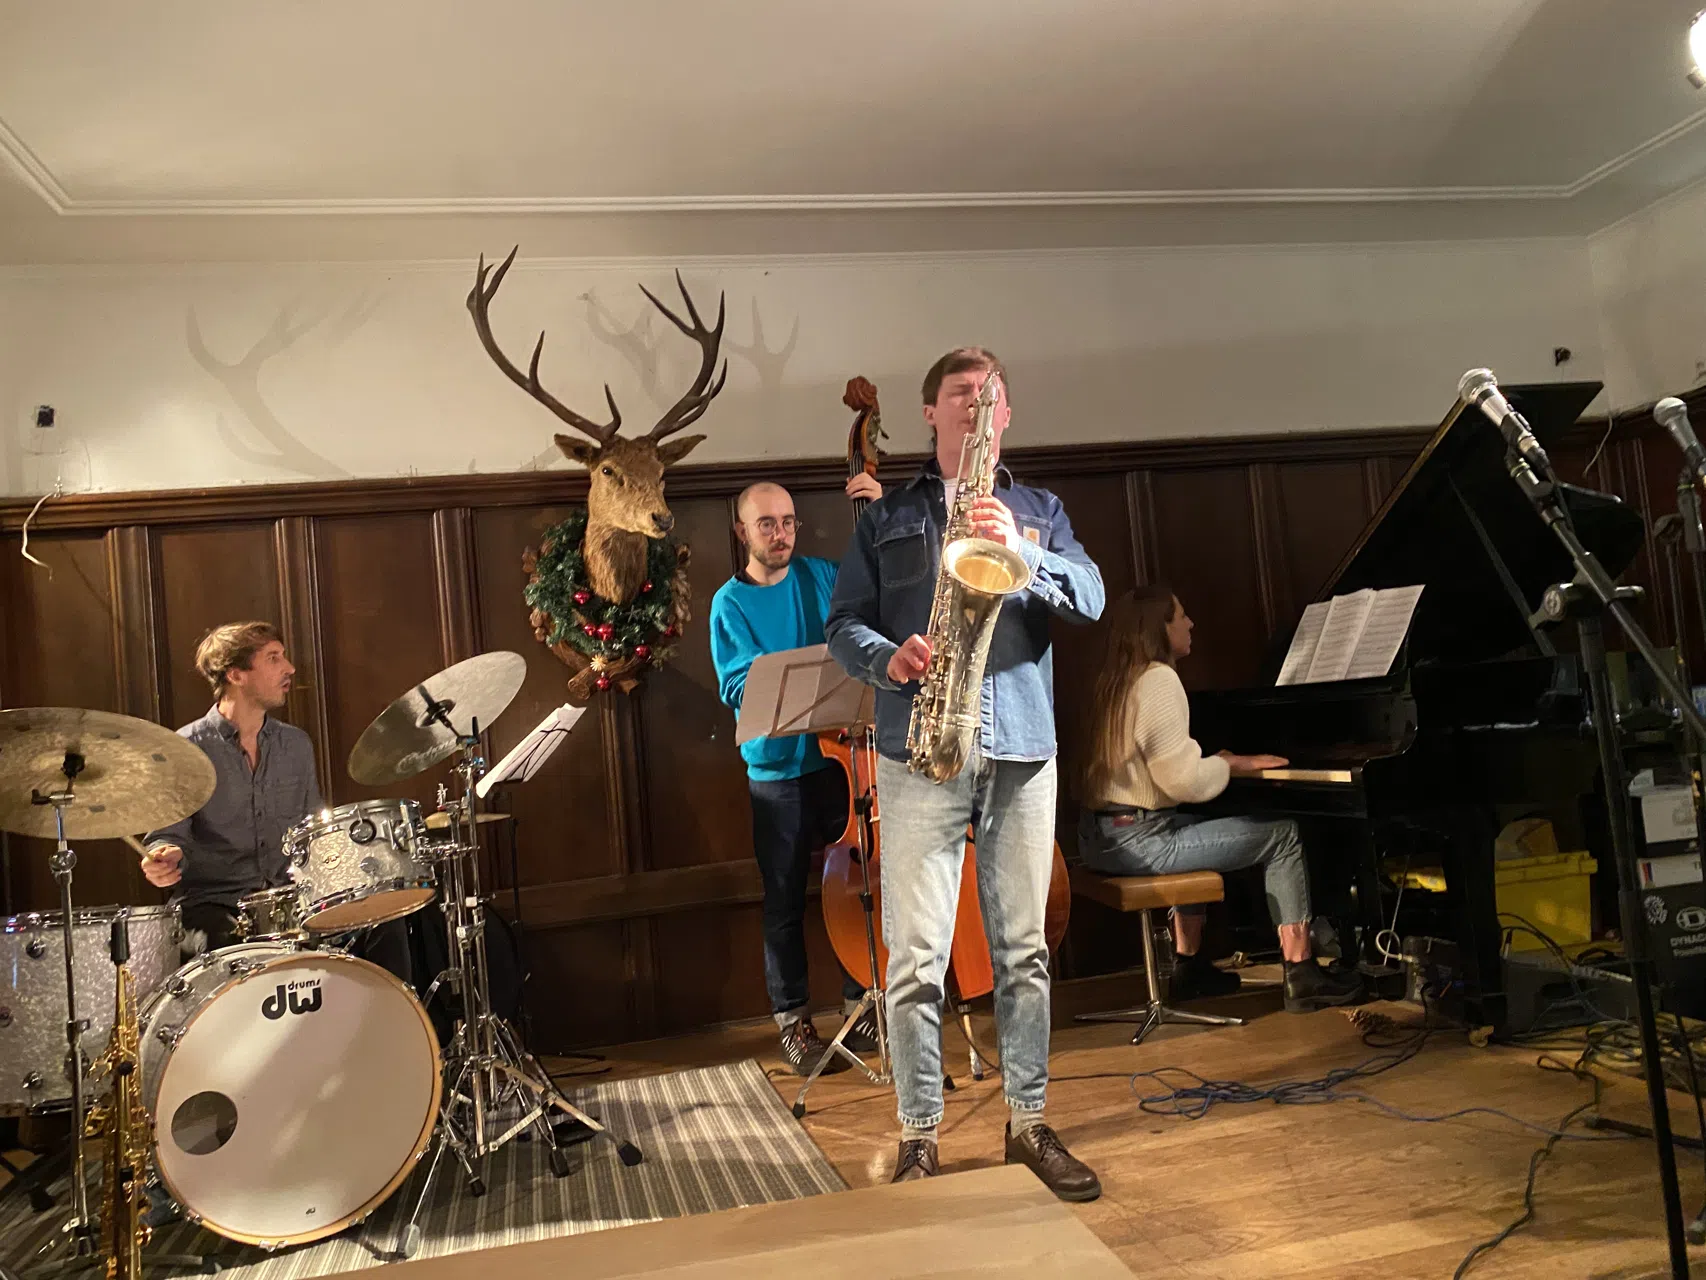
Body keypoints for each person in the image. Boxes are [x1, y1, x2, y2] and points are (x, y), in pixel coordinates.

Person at [825, 347, 1105, 1201]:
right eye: (960, 392)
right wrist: (885, 657)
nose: (977, 402)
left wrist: (1024, 551)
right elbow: (844, 623)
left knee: (1024, 949)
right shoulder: (888, 516)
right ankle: (919, 1133)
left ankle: (1028, 1122)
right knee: (915, 958)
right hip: (919, 748)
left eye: (991, 393)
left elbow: (1091, 597)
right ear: (933, 413)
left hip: (1021, 748)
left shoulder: (1040, 510)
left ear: (1005, 414)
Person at [1078, 586, 1364, 1011]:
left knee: (1196, 826)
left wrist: (1222, 763)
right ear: (1161, 627)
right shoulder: (1159, 679)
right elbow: (1182, 782)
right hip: (1140, 841)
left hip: (1100, 838)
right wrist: (1228, 765)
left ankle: (1189, 967)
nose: (1190, 623)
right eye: (1182, 616)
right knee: (1283, 835)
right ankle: (1302, 971)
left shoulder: (1116, 681)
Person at [710, 477, 884, 1075]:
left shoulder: (823, 576)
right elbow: (738, 684)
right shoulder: (730, 603)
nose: (780, 534)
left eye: (788, 522)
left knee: (854, 887)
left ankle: (861, 1007)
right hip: (776, 773)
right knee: (784, 898)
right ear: (743, 532)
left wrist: (877, 511)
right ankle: (794, 1024)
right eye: (767, 524)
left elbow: (866, 618)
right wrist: (798, 678)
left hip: (839, 760)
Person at [140, 621, 411, 981]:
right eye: (273, 658)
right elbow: (167, 838)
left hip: (291, 899)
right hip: (215, 904)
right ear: (236, 674)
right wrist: (166, 857)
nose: (290, 668)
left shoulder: (295, 745)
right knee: (221, 946)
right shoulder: (185, 750)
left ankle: (396, 1017)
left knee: (384, 924)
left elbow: (314, 834)